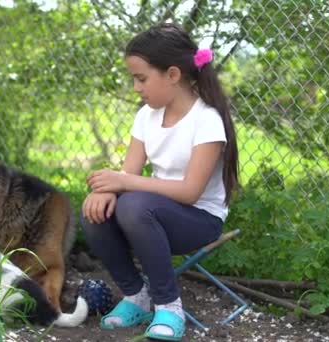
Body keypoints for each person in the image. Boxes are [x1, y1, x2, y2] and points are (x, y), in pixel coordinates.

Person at [80, 23, 239, 341]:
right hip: (152, 213)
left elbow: (190, 192)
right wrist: (108, 190)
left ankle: (169, 307)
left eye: (141, 78)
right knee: (94, 208)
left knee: (135, 205)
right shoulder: (146, 117)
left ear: (173, 74)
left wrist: (124, 183)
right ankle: (136, 297)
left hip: (197, 220)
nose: (136, 87)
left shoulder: (206, 119)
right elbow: (129, 175)